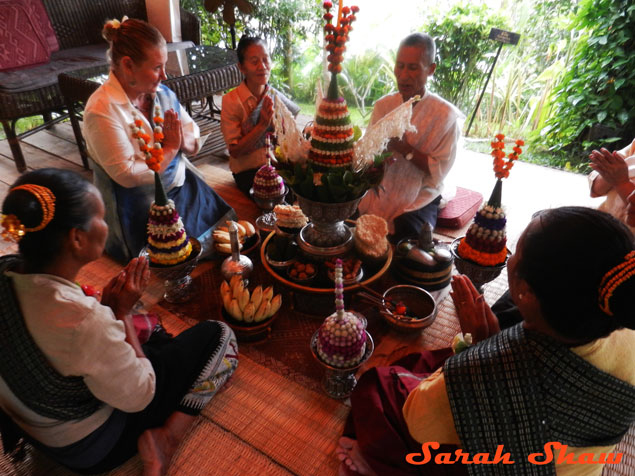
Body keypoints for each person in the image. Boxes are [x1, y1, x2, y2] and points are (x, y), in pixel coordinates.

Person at [337, 206, 635, 476]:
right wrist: (490, 349)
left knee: (379, 385)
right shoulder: (625, 327)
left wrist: (481, 353)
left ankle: (378, 464)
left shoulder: (477, 373)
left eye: (516, 250)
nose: (510, 255)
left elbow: (417, 421)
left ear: (526, 291)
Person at [0, 168, 238, 476]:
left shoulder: (6, 269)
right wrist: (120, 314)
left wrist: (110, 313)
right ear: (77, 238)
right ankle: (167, 438)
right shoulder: (81, 319)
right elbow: (140, 396)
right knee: (220, 336)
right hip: (91, 447)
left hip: (33, 422)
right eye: (101, 217)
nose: (106, 224)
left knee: (150, 329)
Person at [83, 18, 234, 263]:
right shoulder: (101, 110)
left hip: (181, 186)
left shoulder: (161, 93)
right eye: (156, 68)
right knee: (177, 258)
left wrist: (182, 142)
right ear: (128, 65)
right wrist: (172, 147)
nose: (164, 75)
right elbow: (128, 174)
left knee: (226, 236)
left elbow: (193, 135)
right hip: (137, 209)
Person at [358, 33, 464, 240]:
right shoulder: (384, 105)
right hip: (382, 183)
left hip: (421, 192)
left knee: (409, 234)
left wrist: (405, 148)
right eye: (400, 65)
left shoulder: (445, 116)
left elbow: (438, 172)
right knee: (349, 214)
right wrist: (376, 157)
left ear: (430, 69)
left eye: (413, 67)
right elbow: (367, 151)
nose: (403, 74)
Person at [221, 36, 300, 197]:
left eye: (265, 59)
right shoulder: (231, 101)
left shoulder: (274, 96)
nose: (262, 66)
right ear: (242, 67)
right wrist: (262, 125)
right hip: (249, 171)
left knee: (309, 185)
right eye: (254, 61)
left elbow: (287, 133)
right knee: (280, 195)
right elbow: (235, 151)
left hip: (277, 164)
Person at [589, 137, 635, 232]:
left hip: (626, 240)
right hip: (603, 224)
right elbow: (596, 189)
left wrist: (621, 183)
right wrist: (609, 170)